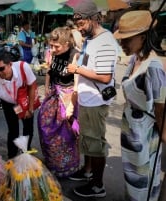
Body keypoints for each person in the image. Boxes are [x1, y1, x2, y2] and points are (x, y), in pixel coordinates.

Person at [66, 1, 118, 198]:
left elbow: (105, 76)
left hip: (96, 102)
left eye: (81, 24)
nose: (79, 28)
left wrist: (76, 69)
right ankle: (87, 171)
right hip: (87, 100)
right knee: (87, 139)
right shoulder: (91, 40)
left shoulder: (105, 41)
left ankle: (97, 186)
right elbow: (88, 63)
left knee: (96, 144)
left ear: (94, 19)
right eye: (77, 25)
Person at [113, 10, 166, 201]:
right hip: (132, 133)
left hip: (144, 136)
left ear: (143, 37)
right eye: (121, 39)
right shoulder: (135, 59)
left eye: (127, 39)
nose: (122, 44)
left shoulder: (153, 67)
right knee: (132, 180)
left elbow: (160, 109)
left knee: (143, 183)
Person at [37, 27, 80, 178]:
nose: (53, 49)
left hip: (68, 98)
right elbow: (49, 71)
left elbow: (77, 84)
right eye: (51, 46)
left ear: (67, 43)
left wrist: (71, 106)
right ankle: (52, 163)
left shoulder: (75, 55)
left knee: (65, 134)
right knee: (45, 127)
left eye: (56, 46)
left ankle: (67, 166)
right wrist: (47, 89)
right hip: (54, 94)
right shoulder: (53, 53)